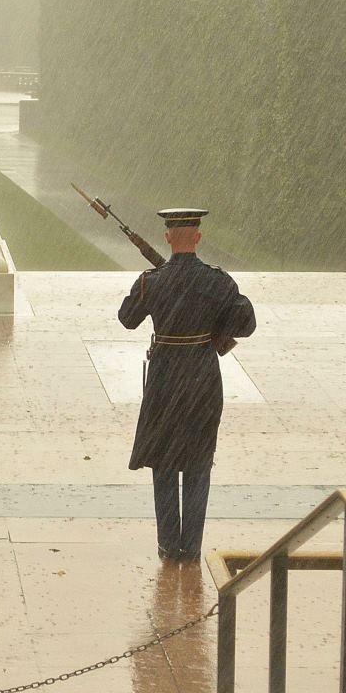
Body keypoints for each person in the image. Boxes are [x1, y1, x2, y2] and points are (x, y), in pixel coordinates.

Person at [119, 208, 255, 560]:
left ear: (167, 238)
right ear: (197, 237)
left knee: (164, 462)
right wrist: (213, 326)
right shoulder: (217, 281)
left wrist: (150, 287)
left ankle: (168, 545)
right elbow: (246, 322)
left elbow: (127, 319)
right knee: (197, 463)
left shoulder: (152, 280)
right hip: (201, 378)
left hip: (165, 379)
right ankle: (191, 548)